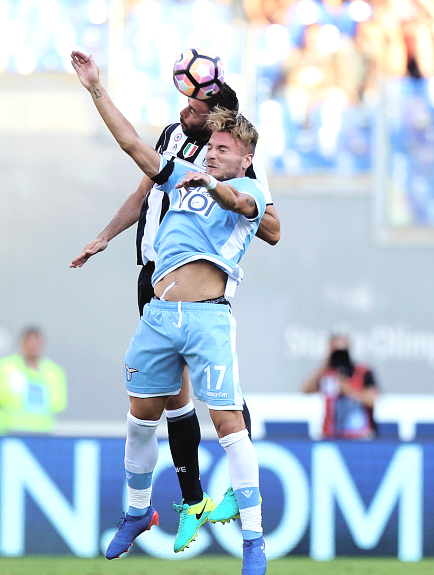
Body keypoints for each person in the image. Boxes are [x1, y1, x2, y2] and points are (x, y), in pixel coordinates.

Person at [71, 50, 267, 574]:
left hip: (207, 316)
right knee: (140, 419)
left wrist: (216, 189)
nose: (211, 154)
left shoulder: (249, 187)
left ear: (243, 157)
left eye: (222, 148)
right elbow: (132, 145)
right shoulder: (181, 169)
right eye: (212, 148)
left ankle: (253, 541)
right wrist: (95, 88)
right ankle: (138, 513)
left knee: (228, 422)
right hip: (159, 312)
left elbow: (252, 212)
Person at [301, 333, 379, 439]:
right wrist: (326, 362)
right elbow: (305, 390)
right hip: (331, 436)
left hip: (359, 436)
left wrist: (348, 389)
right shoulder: (327, 374)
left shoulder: (363, 371)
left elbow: (372, 400)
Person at [0, 326, 67, 435]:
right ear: (22, 344)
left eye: (37, 343)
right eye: (30, 342)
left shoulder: (54, 372)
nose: (33, 346)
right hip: (9, 431)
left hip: (42, 431)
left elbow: (58, 404)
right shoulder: (5, 367)